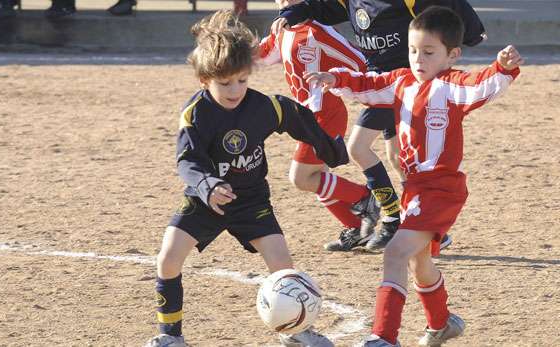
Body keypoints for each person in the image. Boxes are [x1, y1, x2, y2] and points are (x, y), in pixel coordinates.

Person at [305, 6, 522, 346]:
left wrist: (503, 69)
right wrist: (335, 79)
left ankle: (384, 337)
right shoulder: (402, 81)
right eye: (413, 50)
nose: (418, 59)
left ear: (453, 55)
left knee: (394, 253)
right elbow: (367, 85)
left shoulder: (451, 86)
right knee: (420, 262)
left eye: (429, 52)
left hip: (441, 190)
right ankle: (441, 323)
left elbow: (481, 86)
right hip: (415, 190)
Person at [143, 10, 350, 347]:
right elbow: (187, 161)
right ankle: (170, 336)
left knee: (283, 267)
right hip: (205, 201)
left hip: (252, 199)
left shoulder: (262, 106)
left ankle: (297, 331)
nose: (235, 89)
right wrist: (208, 185)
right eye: (224, 83)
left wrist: (330, 148)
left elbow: (297, 117)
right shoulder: (196, 114)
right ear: (204, 80)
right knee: (167, 258)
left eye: (242, 80)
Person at [273, 0, 486, 252]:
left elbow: (450, 9)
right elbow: (321, 8)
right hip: (380, 84)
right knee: (397, 157)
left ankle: (393, 218)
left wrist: (471, 32)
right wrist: (291, 13)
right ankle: (427, 226)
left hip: (403, 83)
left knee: (358, 147)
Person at [257, 0, 381, 252]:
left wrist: (337, 81)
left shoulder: (318, 31)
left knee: (302, 177)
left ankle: (365, 198)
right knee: (315, 176)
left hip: (328, 113)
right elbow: (261, 56)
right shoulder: (281, 29)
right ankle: (357, 228)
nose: (284, 2)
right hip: (306, 117)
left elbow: (359, 62)